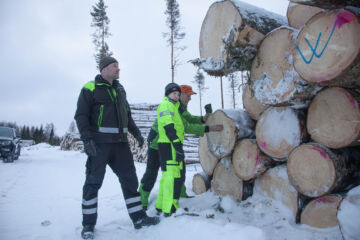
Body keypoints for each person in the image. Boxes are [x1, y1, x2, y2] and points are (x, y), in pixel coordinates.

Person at [74, 56, 159, 239]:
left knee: (130, 180)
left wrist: (136, 133)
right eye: (115, 66)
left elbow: (127, 115)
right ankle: (88, 225)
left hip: (120, 145)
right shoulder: (90, 88)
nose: (118, 70)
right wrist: (87, 140)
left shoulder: (120, 89)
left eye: (119, 67)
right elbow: (81, 116)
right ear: (104, 69)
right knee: (93, 183)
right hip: (99, 145)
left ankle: (138, 218)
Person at [139, 85, 223, 210]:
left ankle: (179, 194)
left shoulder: (180, 107)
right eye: (188, 95)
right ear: (180, 94)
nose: (190, 98)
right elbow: (186, 126)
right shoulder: (171, 106)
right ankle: (142, 200)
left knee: (180, 170)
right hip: (158, 144)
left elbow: (188, 118)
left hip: (171, 144)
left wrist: (202, 119)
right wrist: (208, 128)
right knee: (152, 173)